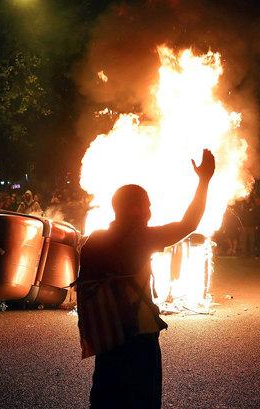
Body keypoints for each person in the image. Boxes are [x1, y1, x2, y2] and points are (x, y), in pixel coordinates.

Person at [76, 149, 215, 409]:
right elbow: (189, 224)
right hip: (138, 336)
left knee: (106, 398)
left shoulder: (93, 241)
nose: (151, 210)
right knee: (143, 400)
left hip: (106, 335)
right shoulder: (141, 238)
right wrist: (204, 181)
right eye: (147, 205)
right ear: (134, 208)